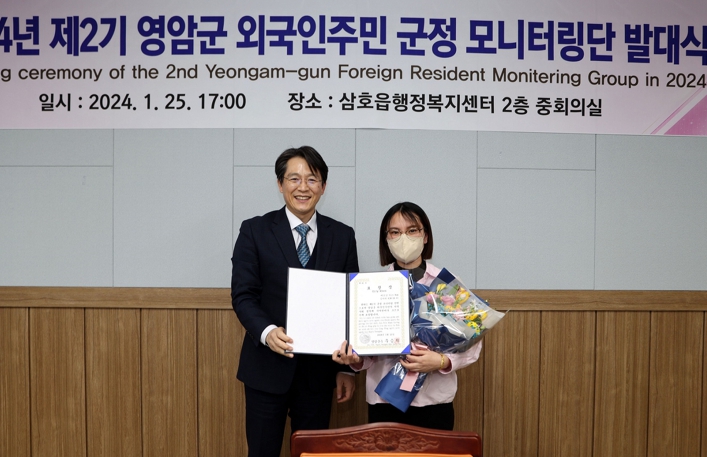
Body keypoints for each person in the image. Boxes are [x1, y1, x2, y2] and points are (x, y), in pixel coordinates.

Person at [231, 146, 359, 457]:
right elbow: (243, 294)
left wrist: (348, 370)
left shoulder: (342, 236)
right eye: (294, 178)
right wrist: (267, 332)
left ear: (323, 187)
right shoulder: (254, 230)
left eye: (312, 179)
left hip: (319, 375)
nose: (303, 187)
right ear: (280, 184)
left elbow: (351, 302)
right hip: (266, 369)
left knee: (312, 454)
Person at [333, 201, 482, 430]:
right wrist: (356, 359)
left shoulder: (446, 283)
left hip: (434, 401)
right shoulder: (370, 287)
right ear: (386, 239)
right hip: (384, 401)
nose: (403, 238)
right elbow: (367, 352)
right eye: (395, 232)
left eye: (412, 230)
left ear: (425, 236)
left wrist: (441, 361)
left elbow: (472, 343)